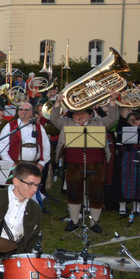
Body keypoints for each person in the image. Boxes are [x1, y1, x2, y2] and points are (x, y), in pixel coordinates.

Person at [49, 91, 120, 233]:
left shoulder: (98, 122)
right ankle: (74, 221)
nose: (79, 116)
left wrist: (112, 101)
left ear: (90, 114)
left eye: (82, 113)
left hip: (97, 163)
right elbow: (54, 118)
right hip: (73, 164)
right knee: (73, 192)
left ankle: (94, 222)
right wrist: (58, 102)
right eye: (76, 114)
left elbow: (113, 118)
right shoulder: (67, 123)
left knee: (97, 192)